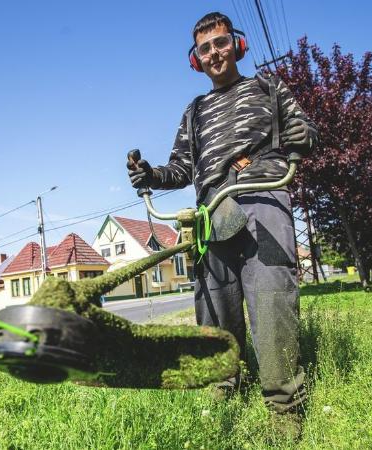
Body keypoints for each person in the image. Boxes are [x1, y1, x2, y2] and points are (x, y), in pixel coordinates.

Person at [126, 12, 318, 431]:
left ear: (237, 44)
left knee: (270, 300)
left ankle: (284, 408)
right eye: (204, 48)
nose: (214, 52)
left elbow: (305, 129)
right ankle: (224, 388)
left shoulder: (267, 88)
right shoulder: (194, 112)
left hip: (262, 195)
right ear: (195, 59)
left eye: (220, 42)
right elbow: (180, 169)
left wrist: (302, 135)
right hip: (211, 210)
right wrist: (150, 175)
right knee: (215, 305)